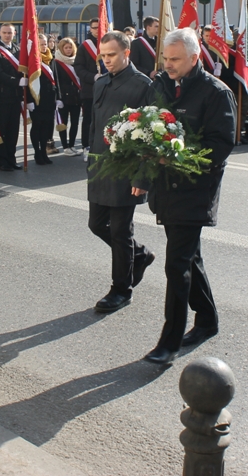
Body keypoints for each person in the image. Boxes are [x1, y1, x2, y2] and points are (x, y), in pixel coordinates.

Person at [135, 28, 236, 365]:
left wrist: (179, 156)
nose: (168, 64)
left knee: (176, 265)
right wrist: (143, 177)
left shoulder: (216, 93)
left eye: (175, 59)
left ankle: (170, 340)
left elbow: (221, 145)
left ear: (195, 57)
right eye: (166, 58)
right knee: (190, 258)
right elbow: (146, 132)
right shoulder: (159, 85)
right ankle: (207, 321)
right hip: (166, 188)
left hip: (194, 191)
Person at [87, 30, 155, 313]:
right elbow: (94, 123)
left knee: (119, 230)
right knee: (96, 224)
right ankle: (138, 255)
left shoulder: (143, 85)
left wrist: (143, 176)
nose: (106, 61)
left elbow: (151, 133)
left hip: (126, 169)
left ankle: (120, 290)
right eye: (103, 56)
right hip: (100, 166)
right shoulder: (100, 82)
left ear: (127, 53)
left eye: (112, 55)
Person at [0, 24, 23, 171]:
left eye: (10, 32)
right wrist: (17, 81)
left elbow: (22, 69)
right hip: (2, 97)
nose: (7, 35)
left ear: (14, 33)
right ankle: (2, 161)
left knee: (13, 131)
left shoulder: (17, 50)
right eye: (5, 32)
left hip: (15, 97)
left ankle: (11, 159)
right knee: (2, 131)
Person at [29, 34, 60, 165]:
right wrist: (29, 100)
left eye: (45, 43)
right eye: (41, 44)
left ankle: (44, 152)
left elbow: (56, 79)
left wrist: (58, 97)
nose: (44, 46)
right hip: (37, 99)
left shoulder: (50, 59)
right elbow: (29, 82)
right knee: (37, 127)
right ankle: (37, 153)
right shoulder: (33, 60)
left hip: (49, 100)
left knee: (47, 128)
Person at [74, 22, 102, 150]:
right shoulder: (84, 46)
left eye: (99, 27)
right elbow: (79, 68)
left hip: (107, 89)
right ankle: (86, 145)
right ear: (90, 29)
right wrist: (93, 77)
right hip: (90, 89)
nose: (97, 30)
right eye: (94, 27)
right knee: (89, 120)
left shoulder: (108, 43)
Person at [53, 37, 82, 155]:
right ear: (61, 48)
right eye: (66, 48)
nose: (68, 50)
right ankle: (65, 147)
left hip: (76, 97)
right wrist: (58, 98)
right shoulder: (56, 62)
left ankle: (72, 145)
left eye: (70, 47)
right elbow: (56, 80)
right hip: (64, 97)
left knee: (75, 123)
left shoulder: (76, 60)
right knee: (63, 123)